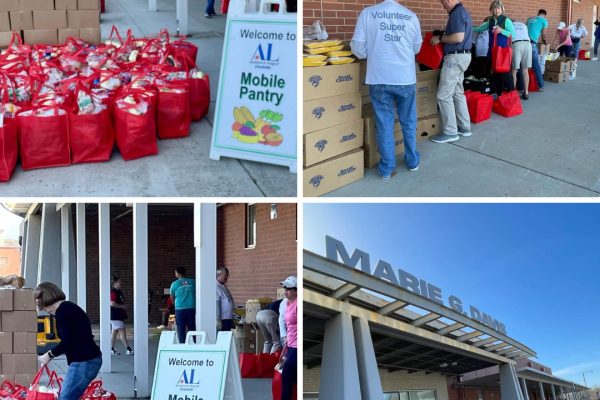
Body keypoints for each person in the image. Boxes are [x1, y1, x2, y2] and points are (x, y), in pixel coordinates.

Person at [350, 0, 422, 177]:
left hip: (379, 77)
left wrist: (372, 53)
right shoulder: (411, 16)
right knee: (408, 121)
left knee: (384, 124)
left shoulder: (368, 13)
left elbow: (357, 47)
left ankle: (386, 168)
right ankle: (412, 161)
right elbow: (416, 48)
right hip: (405, 77)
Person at [35, 282, 102, 400]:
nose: (45, 311)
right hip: (88, 360)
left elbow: (67, 341)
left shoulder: (62, 312)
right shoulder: (68, 307)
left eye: (44, 307)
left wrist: (49, 355)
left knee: (66, 398)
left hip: (83, 361)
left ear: (46, 300)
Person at [429, 0, 474, 144]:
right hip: (463, 56)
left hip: (454, 58)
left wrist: (440, 38)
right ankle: (464, 127)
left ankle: (450, 132)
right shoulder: (464, 12)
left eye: (443, 2)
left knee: (443, 95)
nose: (443, 6)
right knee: (457, 92)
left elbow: (458, 37)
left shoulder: (456, 13)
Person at [473, 0, 517, 96]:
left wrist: (502, 31)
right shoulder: (491, 21)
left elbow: (513, 35)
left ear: (502, 9)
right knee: (496, 75)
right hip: (493, 52)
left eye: (498, 8)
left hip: (503, 53)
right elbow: (480, 28)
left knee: (506, 75)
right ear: (491, 10)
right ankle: (500, 96)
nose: (496, 10)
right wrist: (469, 29)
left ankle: (512, 96)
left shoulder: (506, 20)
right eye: (494, 8)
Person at [279, 276, 297, 400]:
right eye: (284, 287)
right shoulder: (285, 303)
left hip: (297, 346)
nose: (285, 290)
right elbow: (283, 320)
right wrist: (284, 336)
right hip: (290, 344)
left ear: (296, 290)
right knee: (294, 377)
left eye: (288, 288)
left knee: (286, 375)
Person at [170, 266, 196, 343]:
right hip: (191, 307)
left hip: (179, 309)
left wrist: (177, 305)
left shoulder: (174, 284)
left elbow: (172, 298)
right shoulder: (192, 282)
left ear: (178, 273)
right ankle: (193, 343)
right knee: (192, 328)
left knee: (181, 328)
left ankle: (182, 344)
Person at [110, 275, 133, 355]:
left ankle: (111, 349)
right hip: (116, 315)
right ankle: (128, 348)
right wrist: (121, 306)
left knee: (114, 332)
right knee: (122, 331)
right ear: (115, 283)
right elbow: (112, 303)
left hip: (118, 315)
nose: (121, 283)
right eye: (119, 282)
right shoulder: (113, 292)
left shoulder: (118, 292)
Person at [526, 9, 548, 92]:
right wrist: (544, 41)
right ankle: (541, 85)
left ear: (538, 13)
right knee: (536, 65)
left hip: (524, 42)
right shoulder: (544, 20)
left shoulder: (529, 18)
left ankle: (521, 86)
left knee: (523, 66)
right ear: (543, 15)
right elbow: (543, 34)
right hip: (532, 43)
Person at [511, 20, 532, 100]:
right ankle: (526, 92)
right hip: (527, 44)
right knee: (525, 70)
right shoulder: (523, 25)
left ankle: (513, 91)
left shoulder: (510, 25)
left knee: (514, 70)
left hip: (516, 44)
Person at [216, 266, 234, 332]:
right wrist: (218, 319)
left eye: (227, 276)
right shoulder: (216, 287)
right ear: (219, 275)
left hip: (228, 317)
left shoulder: (223, 286)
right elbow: (216, 304)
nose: (226, 278)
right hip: (222, 319)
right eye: (225, 275)